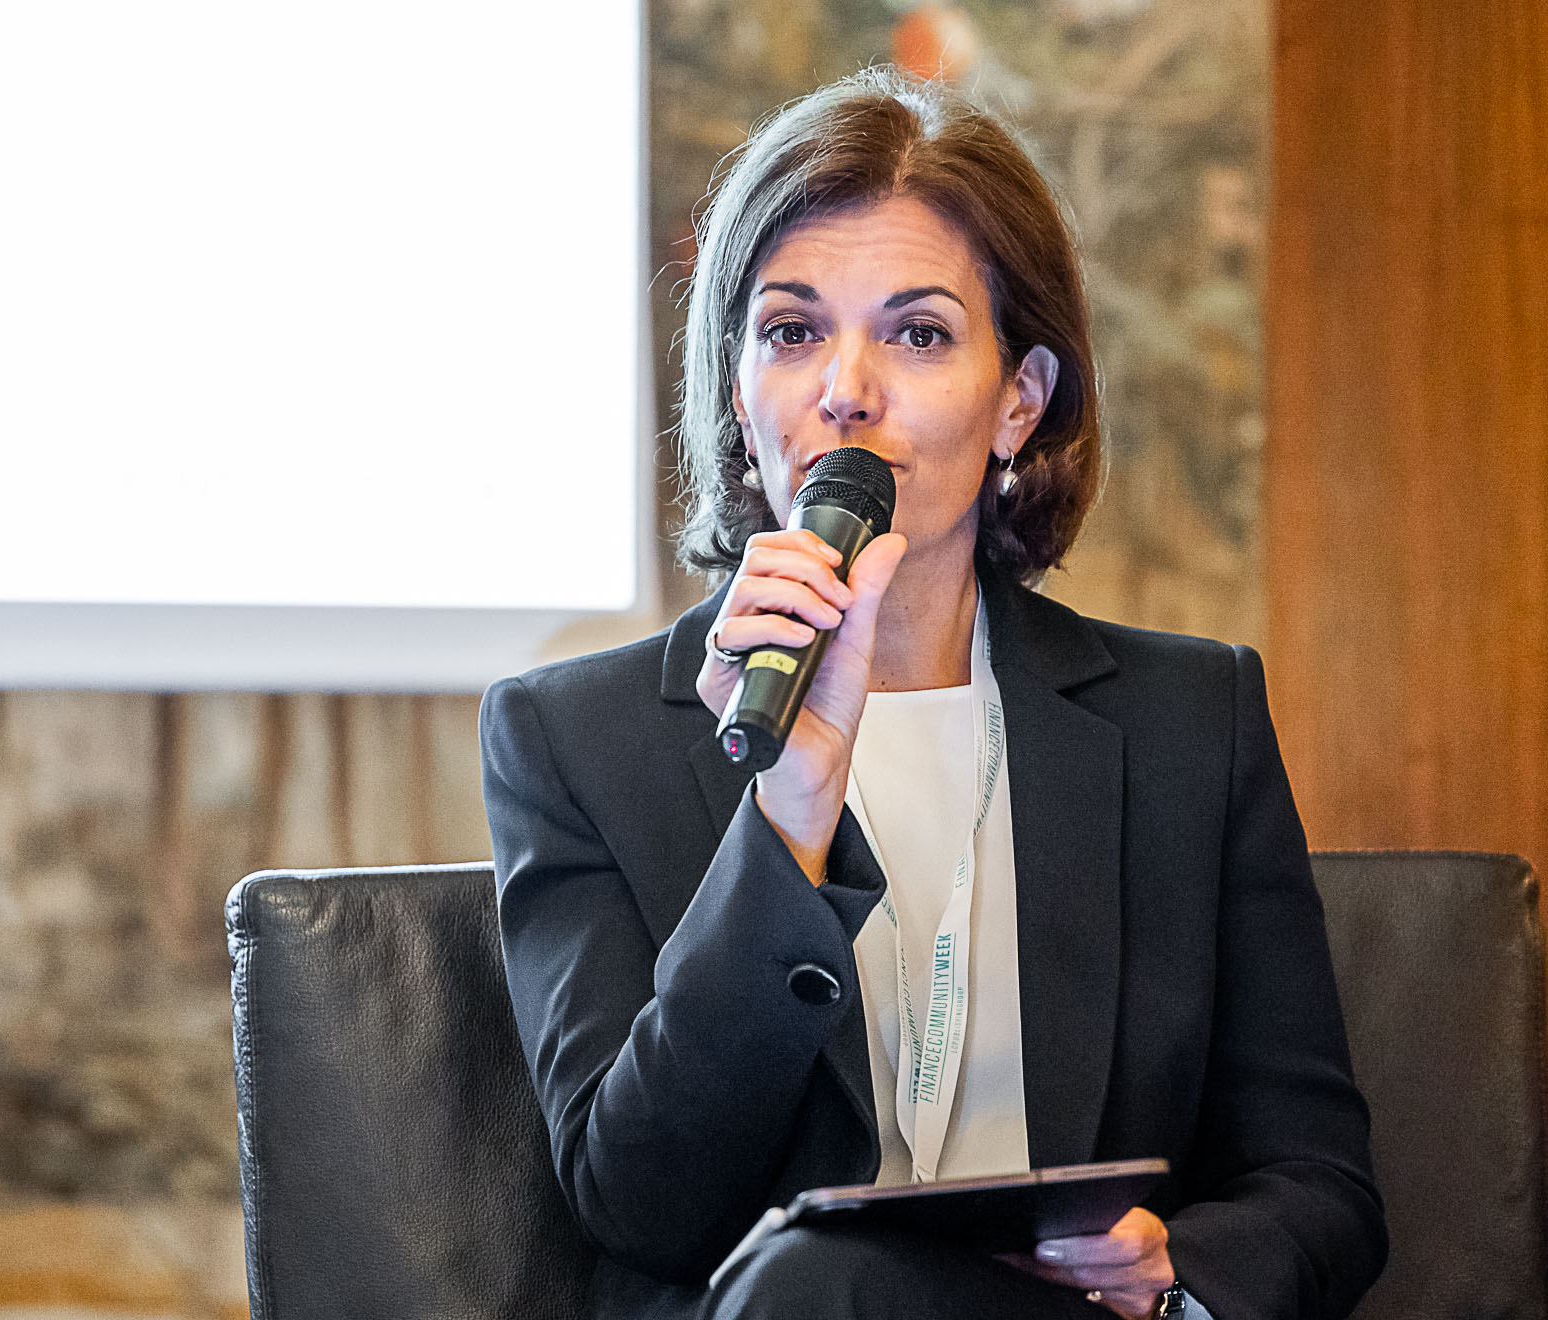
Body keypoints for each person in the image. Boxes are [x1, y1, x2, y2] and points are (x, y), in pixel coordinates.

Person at [479, 67, 1387, 1320]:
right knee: (817, 1283)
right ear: (739, 395)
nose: (846, 387)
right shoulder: (574, 740)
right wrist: (790, 808)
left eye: (918, 334)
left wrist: (1176, 1267)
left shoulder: (1190, 723)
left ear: (1020, 401)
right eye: (791, 331)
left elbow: (1322, 1187)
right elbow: (643, 1205)